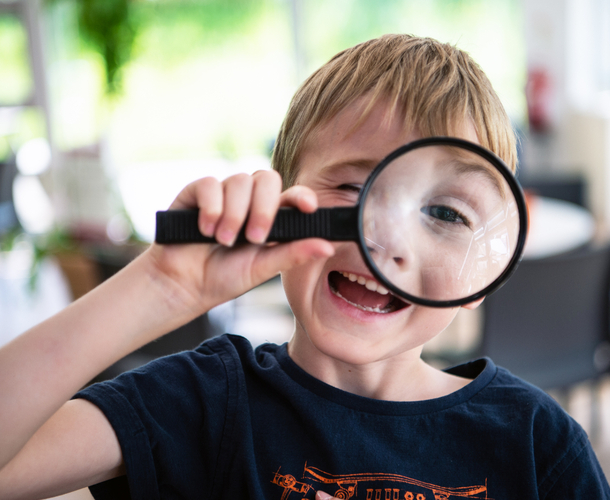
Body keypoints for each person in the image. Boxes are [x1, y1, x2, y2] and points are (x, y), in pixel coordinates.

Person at [0, 34, 608, 500]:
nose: (390, 242)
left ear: (485, 276)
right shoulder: (204, 403)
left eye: (446, 214)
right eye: (351, 186)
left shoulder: (537, 443)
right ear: (284, 204)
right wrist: (159, 286)